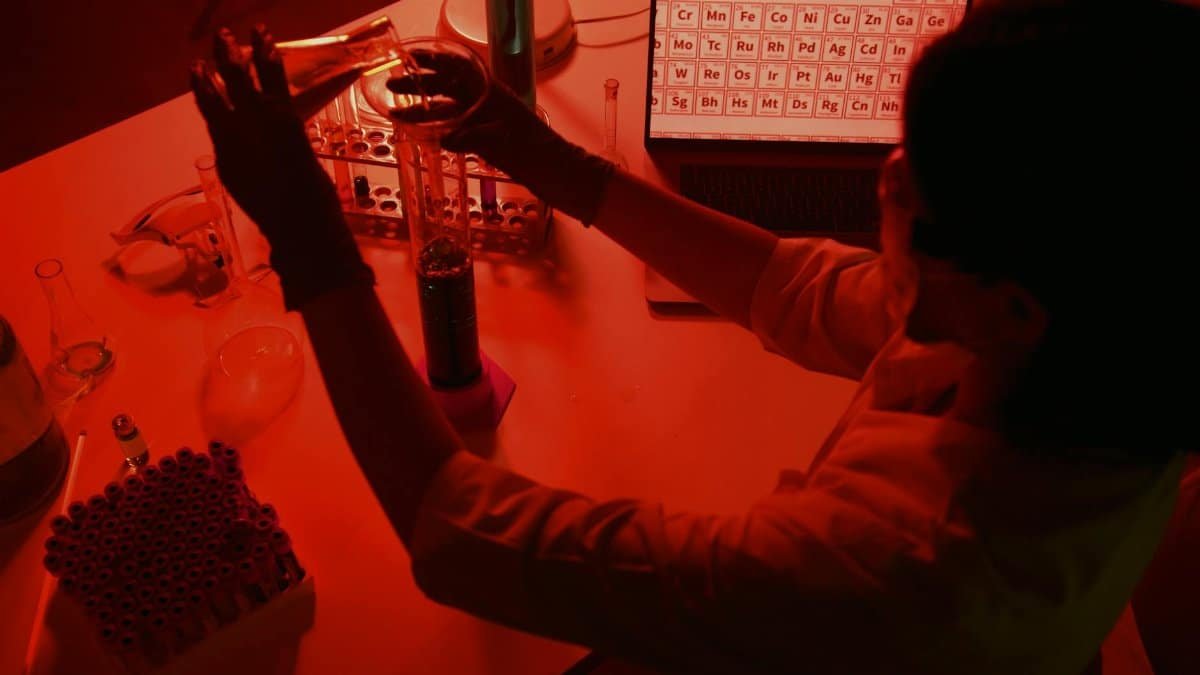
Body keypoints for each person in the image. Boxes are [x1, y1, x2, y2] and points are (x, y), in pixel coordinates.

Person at [189, 2, 1198, 673]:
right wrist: (541, 154)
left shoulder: (898, 570)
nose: (885, 176)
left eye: (915, 188)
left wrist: (311, 240)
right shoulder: (1107, 340)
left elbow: (463, 538)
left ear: (1011, 305)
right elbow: (797, 287)